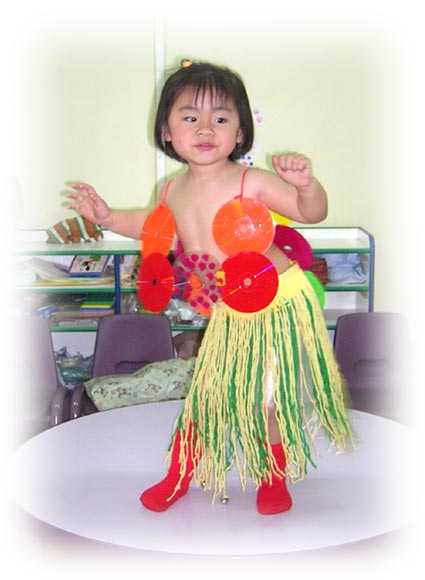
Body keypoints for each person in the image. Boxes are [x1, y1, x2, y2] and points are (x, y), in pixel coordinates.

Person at [67, 60, 353, 515]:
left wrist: (307, 185)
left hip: (275, 302)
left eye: (220, 118)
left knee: (267, 398)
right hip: (227, 308)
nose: (205, 128)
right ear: (167, 131)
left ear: (239, 133)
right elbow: (152, 226)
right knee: (207, 394)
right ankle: (180, 473)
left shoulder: (251, 181)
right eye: (190, 117)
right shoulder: (172, 189)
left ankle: (273, 476)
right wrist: (107, 217)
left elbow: (310, 212)